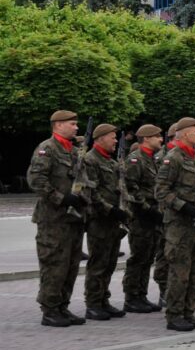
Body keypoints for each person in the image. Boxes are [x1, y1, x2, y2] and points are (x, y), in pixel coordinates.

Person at [28, 110, 88, 328]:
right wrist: (62, 199)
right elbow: (36, 180)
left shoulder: (72, 151)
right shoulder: (48, 148)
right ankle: (50, 308)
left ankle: (63, 305)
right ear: (58, 125)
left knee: (71, 266)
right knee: (54, 265)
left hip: (72, 219)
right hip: (53, 219)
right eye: (72, 124)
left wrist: (81, 199)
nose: (76, 127)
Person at [156, 117, 195, 331]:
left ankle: (189, 312)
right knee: (180, 272)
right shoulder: (173, 158)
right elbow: (160, 191)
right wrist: (183, 206)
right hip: (178, 225)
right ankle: (174, 315)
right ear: (186, 134)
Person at [82, 123, 129, 321]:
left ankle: (103, 300)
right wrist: (112, 211)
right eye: (112, 136)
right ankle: (93, 304)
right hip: (99, 219)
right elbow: (91, 192)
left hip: (112, 221)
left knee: (109, 263)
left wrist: (122, 211)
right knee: (98, 263)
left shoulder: (110, 162)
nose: (115, 140)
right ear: (100, 138)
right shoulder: (90, 160)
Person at [122, 124, 164, 314]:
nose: (161, 140)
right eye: (157, 136)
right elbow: (131, 189)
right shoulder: (135, 159)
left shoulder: (151, 159)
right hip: (140, 216)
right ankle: (131, 297)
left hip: (151, 216)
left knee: (147, 258)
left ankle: (141, 295)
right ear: (146, 138)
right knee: (138, 258)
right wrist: (147, 208)